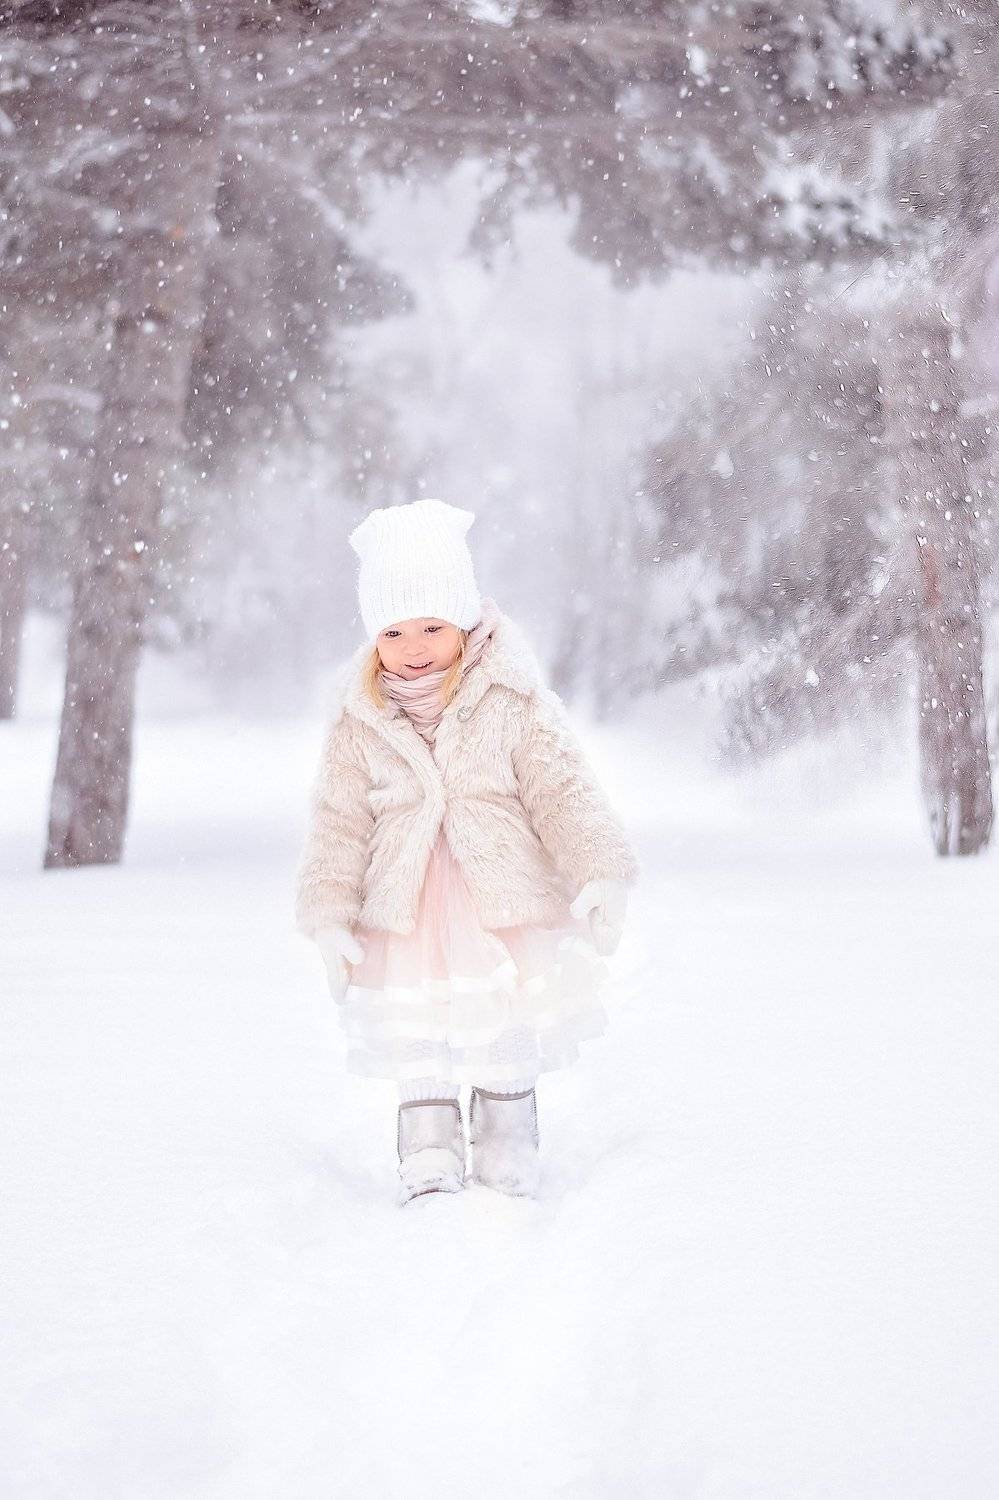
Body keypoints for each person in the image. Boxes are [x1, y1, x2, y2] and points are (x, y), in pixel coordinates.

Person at [294, 497, 640, 1204]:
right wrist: (328, 917)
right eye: (393, 631)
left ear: (463, 619)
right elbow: (338, 824)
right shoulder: (360, 719)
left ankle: (507, 1134)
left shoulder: (510, 699)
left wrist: (600, 870)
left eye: (431, 625)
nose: (414, 646)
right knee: (418, 1030)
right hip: (406, 912)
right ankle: (427, 1142)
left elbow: (562, 790)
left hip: (498, 903)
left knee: (501, 1019)